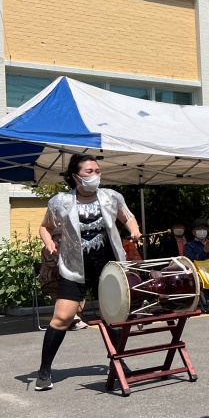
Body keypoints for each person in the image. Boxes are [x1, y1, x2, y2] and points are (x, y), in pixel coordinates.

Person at [34, 154, 142, 391]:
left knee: (113, 319)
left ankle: (118, 363)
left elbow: (128, 218)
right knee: (61, 318)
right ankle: (44, 370)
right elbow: (45, 226)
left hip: (108, 269)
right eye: (89, 171)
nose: (95, 175)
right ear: (76, 176)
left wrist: (134, 230)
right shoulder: (60, 202)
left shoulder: (112, 197)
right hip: (74, 269)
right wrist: (48, 243)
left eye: (97, 171)